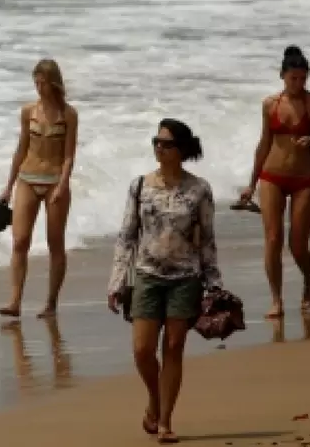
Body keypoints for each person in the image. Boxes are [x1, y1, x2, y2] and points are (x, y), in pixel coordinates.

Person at [106, 119, 222, 444]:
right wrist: (117, 281)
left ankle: (166, 421)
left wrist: (214, 282)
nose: (159, 148)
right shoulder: (140, 186)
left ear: (181, 149)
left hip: (186, 277)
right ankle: (154, 401)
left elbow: (207, 240)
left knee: (173, 347)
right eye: (156, 142)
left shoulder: (200, 189)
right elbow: (126, 237)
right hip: (147, 275)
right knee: (142, 350)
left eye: (166, 144)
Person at [238, 45, 310, 319]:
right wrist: (251, 183)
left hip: (304, 180)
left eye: (303, 78)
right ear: (283, 76)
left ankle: (308, 280)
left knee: (298, 244)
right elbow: (264, 144)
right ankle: (276, 300)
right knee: (272, 239)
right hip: (272, 177)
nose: (298, 83)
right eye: (293, 78)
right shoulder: (270, 104)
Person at [0, 58, 79, 319]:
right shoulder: (28, 111)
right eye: (36, 82)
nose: (39, 87)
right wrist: (8, 187)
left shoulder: (68, 115)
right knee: (20, 240)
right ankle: (14, 301)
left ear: (54, 83)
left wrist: (63, 184)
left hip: (55, 181)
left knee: (56, 243)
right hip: (27, 179)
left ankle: (51, 303)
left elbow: (69, 155)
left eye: (43, 83)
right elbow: (21, 148)